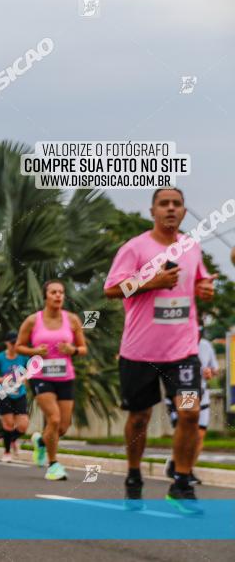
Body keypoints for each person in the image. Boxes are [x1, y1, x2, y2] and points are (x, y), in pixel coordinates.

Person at [103, 188, 215, 513]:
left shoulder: (192, 247)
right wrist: (151, 282)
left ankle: (181, 483)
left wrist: (204, 289)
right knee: (139, 418)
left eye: (176, 204)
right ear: (152, 210)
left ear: (183, 212)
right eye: (163, 204)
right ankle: (134, 477)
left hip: (184, 355)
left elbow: (199, 283)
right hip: (139, 354)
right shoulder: (135, 248)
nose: (170, 209)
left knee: (191, 412)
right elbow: (111, 289)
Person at [15, 280, 87, 481]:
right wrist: (34, 351)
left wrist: (72, 350)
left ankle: (40, 443)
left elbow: (83, 349)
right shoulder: (32, 320)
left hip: (65, 377)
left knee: (62, 427)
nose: (58, 296)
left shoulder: (72, 320)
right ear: (46, 295)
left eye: (61, 292)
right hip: (41, 376)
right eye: (53, 292)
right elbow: (19, 346)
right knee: (53, 419)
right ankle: (53, 465)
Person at [164, 328, 219, 485]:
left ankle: (184, 468)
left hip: (202, 394)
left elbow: (214, 368)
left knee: (199, 434)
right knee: (187, 429)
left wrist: (210, 372)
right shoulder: (175, 343)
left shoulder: (206, 345)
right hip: (184, 391)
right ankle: (181, 469)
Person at [0, 331, 29, 463]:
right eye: (12, 343)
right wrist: (2, 379)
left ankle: (11, 439)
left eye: (16, 343)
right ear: (6, 343)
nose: (14, 345)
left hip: (19, 394)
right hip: (3, 393)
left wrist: (24, 378)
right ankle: (6, 452)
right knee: (9, 424)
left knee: (23, 426)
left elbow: (29, 373)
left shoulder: (23, 358)